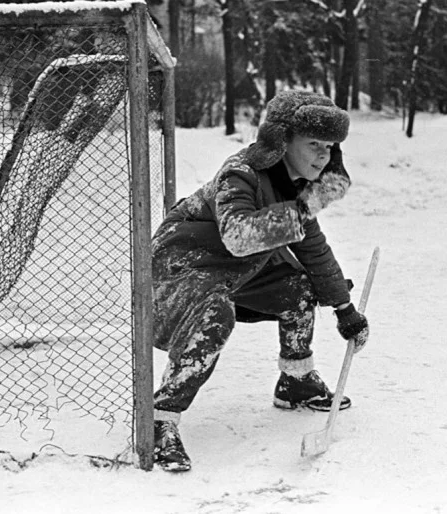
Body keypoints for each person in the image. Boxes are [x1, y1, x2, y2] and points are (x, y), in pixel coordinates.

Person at [150, 90, 369, 472]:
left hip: (236, 270)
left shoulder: (294, 187)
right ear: (282, 140)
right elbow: (238, 236)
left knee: (299, 288)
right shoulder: (241, 173)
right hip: (183, 266)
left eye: (330, 147)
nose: (323, 156)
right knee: (215, 315)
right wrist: (304, 208)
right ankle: (159, 419)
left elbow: (313, 250)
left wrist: (344, 309)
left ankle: (296, 381)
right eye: (313, 144)